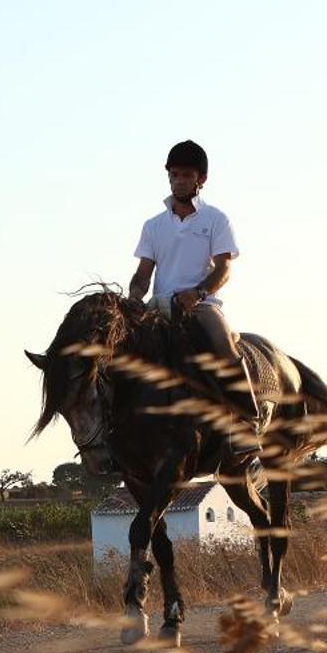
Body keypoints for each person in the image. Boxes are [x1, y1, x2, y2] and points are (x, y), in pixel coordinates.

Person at [127, 140, 264, 478]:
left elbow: (223, 269)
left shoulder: (216, 220)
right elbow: (144, 272)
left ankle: (247, 423)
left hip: (202, 305)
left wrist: (199, 292)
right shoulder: (153, 225)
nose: (179, 181)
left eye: (186, 175)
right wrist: (134, 295)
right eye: (174, 175)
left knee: (225, 349)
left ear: (201, 179)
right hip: (160, 306)